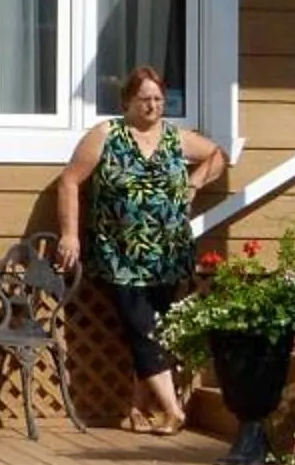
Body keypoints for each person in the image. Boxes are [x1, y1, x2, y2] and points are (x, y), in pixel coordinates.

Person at [52, 66, 229, 434]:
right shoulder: (107, 135)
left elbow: (218, 155)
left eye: (158, 99)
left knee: (155, 331)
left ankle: (140, 410)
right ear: (127, 101)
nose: (152, 106)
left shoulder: (175, 138)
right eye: (144, 99)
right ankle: (174, 409)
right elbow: (69, 181)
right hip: (120, 254)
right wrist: (70, 234)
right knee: (142, 328)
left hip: (167, 253)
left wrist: (195, 183)